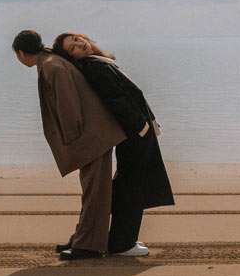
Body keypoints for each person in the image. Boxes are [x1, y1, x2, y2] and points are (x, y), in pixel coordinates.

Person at [52, 32, 175, 255]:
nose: (80, 44)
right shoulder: (93, 66)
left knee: (129, 184)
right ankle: (122, 243)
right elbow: (114, 99)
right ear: (72, 58)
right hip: (134, 133)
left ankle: (115, 238)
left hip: (135, 131)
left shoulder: (98, 61)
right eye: (73, 48)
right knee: (132, 185)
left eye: (78, 39)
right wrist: (141, 127)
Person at [11, 30, 127, 260]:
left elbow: (69, 106)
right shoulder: (50, 61)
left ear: (21, 53)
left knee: (96, 193)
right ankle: (83, 239)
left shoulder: (52, 66)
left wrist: (73, 142)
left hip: (93, 137)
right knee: (93, 191)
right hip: (95, 134)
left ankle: (89, 247)